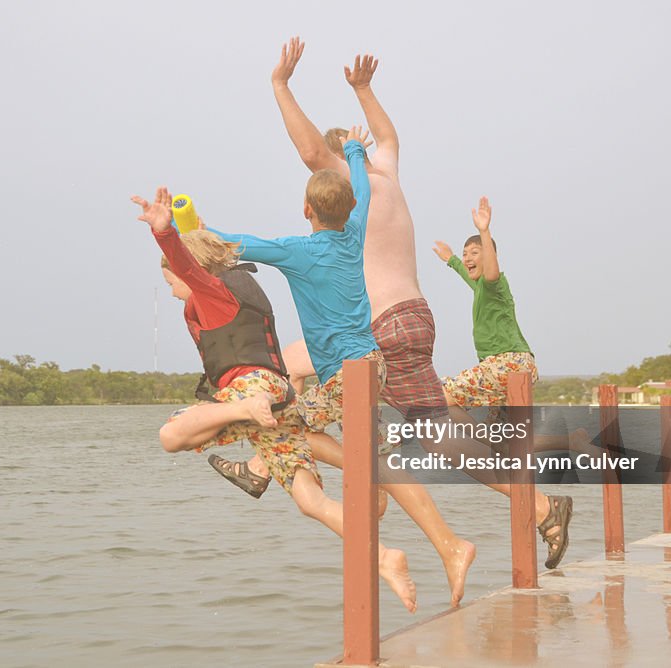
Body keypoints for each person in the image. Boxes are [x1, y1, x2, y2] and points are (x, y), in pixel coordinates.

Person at [211, 39, 571, 579]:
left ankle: (278, 464)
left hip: (379, 330)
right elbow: (388, 137)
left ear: (338, 172)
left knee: (285, 380)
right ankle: (541, 507)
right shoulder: (388, 177)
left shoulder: (352, 192)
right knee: (435, 430)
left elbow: (314, 154)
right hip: (415, 319)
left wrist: (281, 86)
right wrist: (363, 89)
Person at [131, 186, 418, 612]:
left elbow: (190, 267)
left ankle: (239, 412)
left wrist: (164, 232)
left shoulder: (211, 294)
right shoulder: (241, 285)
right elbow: (201, 259)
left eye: (170, 281)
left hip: (250, 395)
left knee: (172, 435)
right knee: (310, 500)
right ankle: (384, 557)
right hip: (277, 394)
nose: (172, 289)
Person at [432, 197, 537, 413]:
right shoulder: (480, 285)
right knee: (507, 438)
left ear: (489, 257)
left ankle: (393, 437)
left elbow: (491, 270)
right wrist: (451, 258)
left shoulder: (494, 284)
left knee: (440, 396)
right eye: (465, 253)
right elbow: (465, 272)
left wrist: (484, 231)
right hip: (512, 366)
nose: (468, 258)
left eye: (474, 253)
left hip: (508, 363)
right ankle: (573, 441)